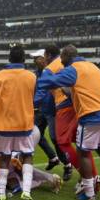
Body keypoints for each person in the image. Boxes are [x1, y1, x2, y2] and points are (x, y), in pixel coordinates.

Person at [35, 44, 100, 200]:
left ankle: (89, 193)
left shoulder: (72, 69)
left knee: (83, 151)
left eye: (62, 60)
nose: (60, 63)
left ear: (66, 58)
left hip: (91, 115)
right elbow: (76, 89)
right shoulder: (93, 66)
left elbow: (50, 82)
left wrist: (42, 75)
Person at [0, 45, 39, 200]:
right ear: (24, 59)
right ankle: (26, 191)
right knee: (27, 155)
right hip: (24, 124)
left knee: (5, 157)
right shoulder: (32, 76)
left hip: (3, 124)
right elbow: (34, 98)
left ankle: (1, 193)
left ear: (9, 59)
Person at [31, 49, 72, 180]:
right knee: (35, 134)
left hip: (54, 110)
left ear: (44, 58)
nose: (34, 60)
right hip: (42, 110)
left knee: (56, 139)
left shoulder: (53, 70)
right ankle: (53, 158)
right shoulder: (36, 74)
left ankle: (67, 165)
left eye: (37, 58)